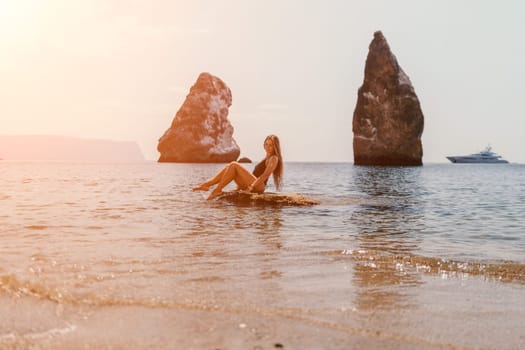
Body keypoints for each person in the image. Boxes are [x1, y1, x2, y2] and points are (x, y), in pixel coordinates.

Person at [192, 134, 283, 200]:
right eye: (266, 144)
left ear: (275, 147)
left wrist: (249, 188)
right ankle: (206, 185)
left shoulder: (274, 158)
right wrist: (239, 188)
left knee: (234, 164)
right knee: (230, 166)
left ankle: (217, 190)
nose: (268, 147)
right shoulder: (267, 157)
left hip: (259, 187)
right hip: (255, 184)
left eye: (271, 145)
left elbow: (265, 175)